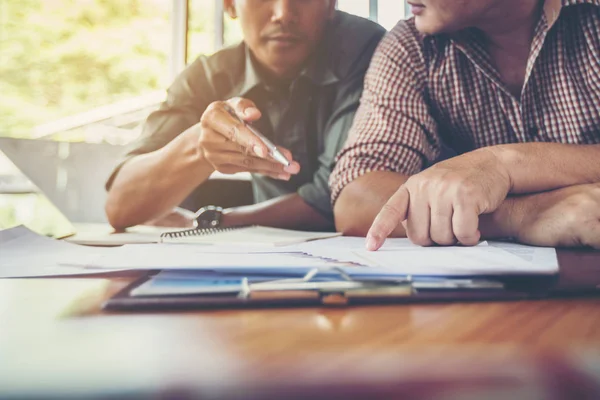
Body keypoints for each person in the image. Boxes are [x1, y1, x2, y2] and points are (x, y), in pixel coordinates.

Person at [330, 0, 600, 250]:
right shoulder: (412, 45)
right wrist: (520, 214)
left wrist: (506, 164)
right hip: (511, 294)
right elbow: (355, 197)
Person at [105, 0, 385, 231]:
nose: (283, 13)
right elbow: (120, 206)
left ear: (330, 3)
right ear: (229, 5)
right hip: (264, 263)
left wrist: (212, 222)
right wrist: (199, 148)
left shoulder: (373, 52)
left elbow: (336, 200)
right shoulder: (209, 76)